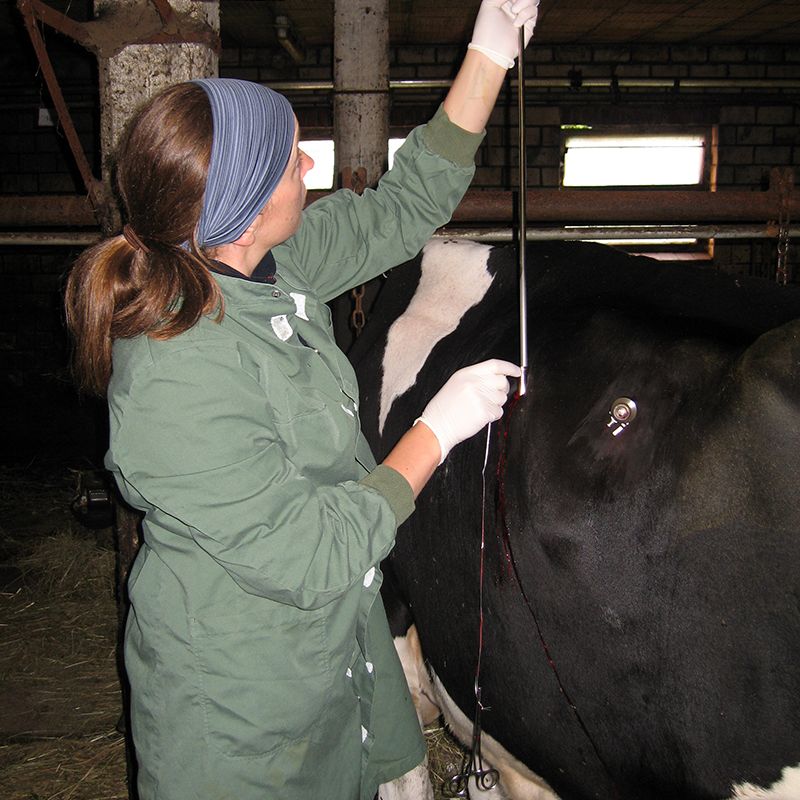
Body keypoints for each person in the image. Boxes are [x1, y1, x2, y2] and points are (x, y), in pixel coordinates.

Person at [64, 1, 539, 798]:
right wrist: (432, 433)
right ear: (245, 210)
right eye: (292, 161)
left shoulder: (269, 266)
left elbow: (404, 207)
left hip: (323, 657)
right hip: (238, 708)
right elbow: (310, 553)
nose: (310, 171)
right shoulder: (174, 374)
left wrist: (488, 48)